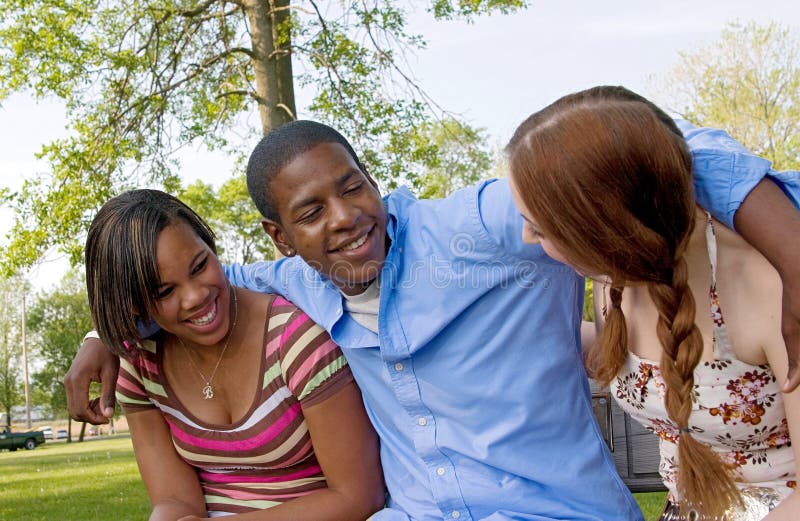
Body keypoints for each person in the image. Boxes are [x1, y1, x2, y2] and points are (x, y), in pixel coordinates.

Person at [66, 119, 799, 520]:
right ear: (279, 237)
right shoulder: (288, 282)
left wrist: (796, 266)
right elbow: (180, 286)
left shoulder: (474, 230)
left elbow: (656, 147)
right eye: (312, 212)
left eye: (353, 187)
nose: (348, 218)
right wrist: (103, 334)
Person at [505, 86, 799, 520]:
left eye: (543, 230)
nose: (528, 239)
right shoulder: (614, 284)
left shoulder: (768, 290)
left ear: (606, 227)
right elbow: (647, 367)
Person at [84, 189, 384, 520]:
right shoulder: (141, 367)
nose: (196, 296)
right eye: (165, 291)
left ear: (211, 249)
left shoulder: (296, 342)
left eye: (200, 266)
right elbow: (174, 499)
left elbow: (357, 496)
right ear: (134, 301)